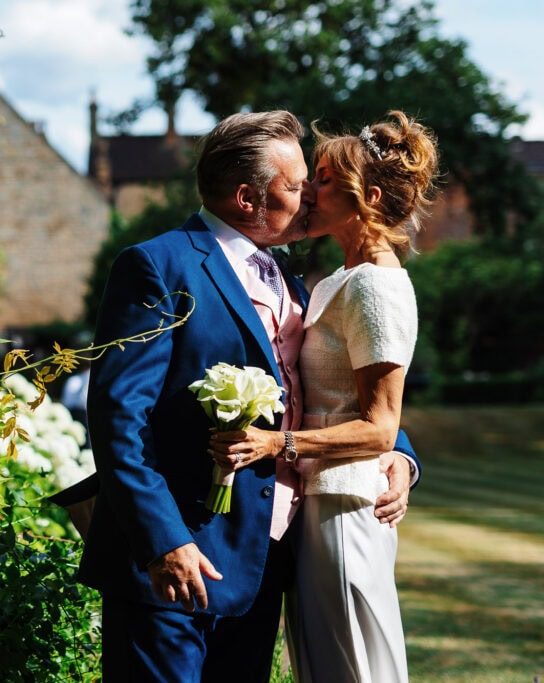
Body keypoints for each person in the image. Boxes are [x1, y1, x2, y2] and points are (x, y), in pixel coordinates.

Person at [75, 109, 419, 682]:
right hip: (176, 561)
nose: (310, 193)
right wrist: (165, 542)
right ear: (246, 198)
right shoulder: (158, 266)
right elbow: (118, 418)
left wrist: (399, 453)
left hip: (265, 562)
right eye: (295, 185)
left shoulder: (289, 275)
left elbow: (331, 381)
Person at [209, 111, 438, 682]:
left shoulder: (377, 286)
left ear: (370, 196)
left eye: (327, 180)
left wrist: (276, 442)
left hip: (346, 508)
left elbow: (380, 427)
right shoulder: (335, 280)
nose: (310, 190)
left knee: (354, 667)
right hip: (313, 505)